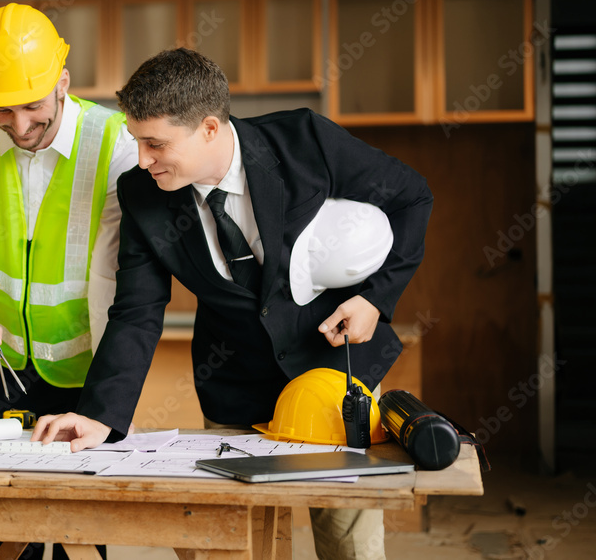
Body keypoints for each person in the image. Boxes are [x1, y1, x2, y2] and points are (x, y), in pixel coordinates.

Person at [32, 48, 433, 560]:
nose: (143, 159)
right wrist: (102, 417)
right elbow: (136, 309)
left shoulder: (304, 142)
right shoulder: (143, 194)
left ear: (209, 129)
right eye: (137, 142)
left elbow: (412, 197)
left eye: (155, 144)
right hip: (234, 382)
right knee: (232, 544)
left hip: (334, 369)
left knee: (348, 541)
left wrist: (376, 299)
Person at [0, 3, 137, 560]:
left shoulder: (116, 143)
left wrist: (109, 396)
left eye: (32, 106)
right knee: (1, 532)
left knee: (79, 531)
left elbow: (125, 279)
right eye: (2, 109)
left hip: (85, 375)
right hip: (1, 374)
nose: (19, 127)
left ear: (63, 82)